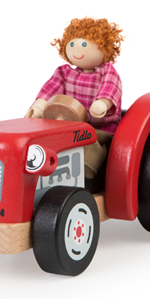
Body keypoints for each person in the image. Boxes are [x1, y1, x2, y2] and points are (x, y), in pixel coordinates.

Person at [25, 17, 124, 178]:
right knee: (47, 138)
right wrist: (39, 106)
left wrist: (102, 103)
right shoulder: (64, 72)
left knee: (89, 143)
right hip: (66, 126)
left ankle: (86, 171)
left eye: (84, 45)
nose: (75, 50)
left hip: (97, 128)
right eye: (71, 44)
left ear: (104, 47)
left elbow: (110, 86)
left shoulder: (106, 71)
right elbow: (50, 89)